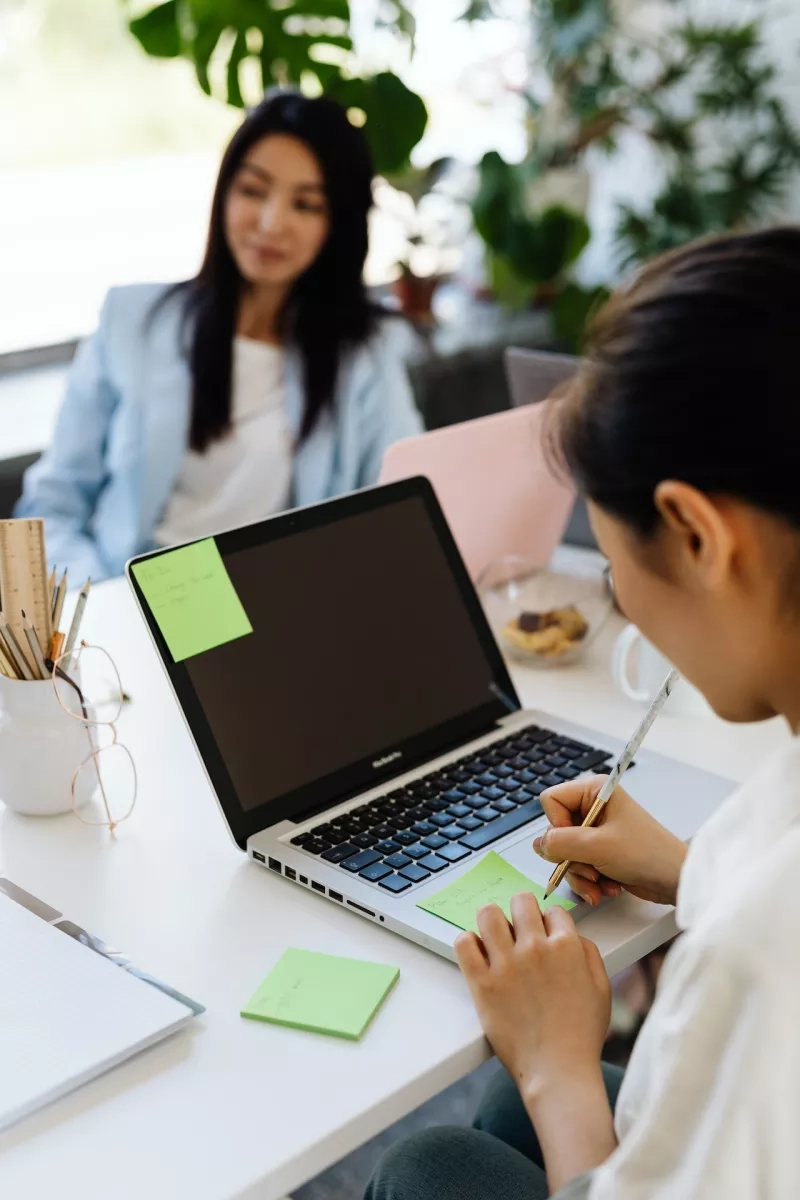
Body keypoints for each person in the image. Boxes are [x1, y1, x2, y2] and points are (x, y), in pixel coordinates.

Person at [367, 227, 800, 1200]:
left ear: (694, 533)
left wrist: (558, 1064)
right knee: (493, 1115)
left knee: (430, 1162)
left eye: (612, 567)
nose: (622, 600)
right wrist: (689, 872)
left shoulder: (757, 965)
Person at [16, 91, 422, 581]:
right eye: (253, 191)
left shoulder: (365, 352)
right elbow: (52, 503)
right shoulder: (132, 320)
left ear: (338, 224)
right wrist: (102, 603)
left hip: (277, 602)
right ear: (224, 193)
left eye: (306, 204)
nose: (271, 223)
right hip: (122, 591)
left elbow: (404, 502)